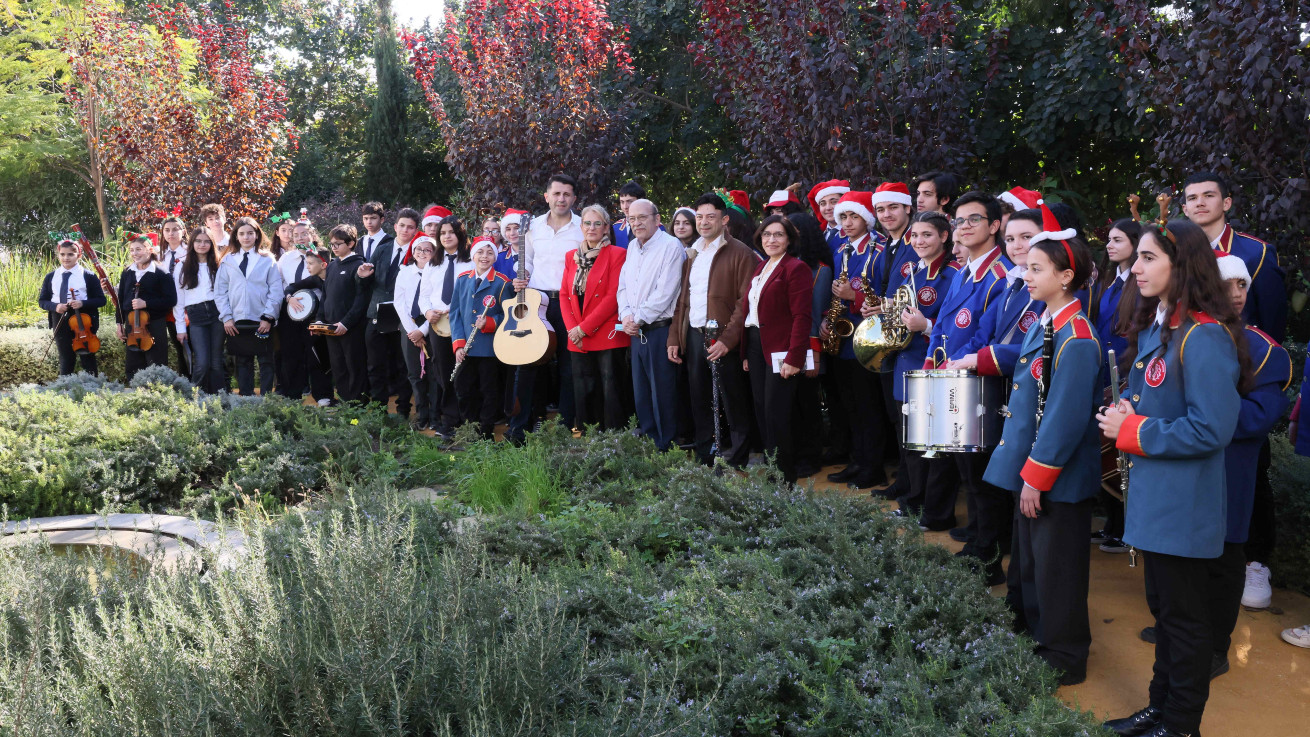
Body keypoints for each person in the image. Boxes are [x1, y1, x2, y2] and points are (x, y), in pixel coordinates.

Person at [1099, 219, 1249, 737]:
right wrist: (1130, 408)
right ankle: (1159, 709)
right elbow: (1164, 403)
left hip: (1183, 506)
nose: (1134, 267)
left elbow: (1212, 428)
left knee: (1185, 624)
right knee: (1165, 613)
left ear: (1180, 264)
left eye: (1147, 258)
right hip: (1156, 501)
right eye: (1136, 257)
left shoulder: (1203, 335)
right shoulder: (1166, 328)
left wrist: (1133, 428)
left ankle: (1182, 724)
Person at [983, 205, 1102, 687]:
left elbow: (1063, 420)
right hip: (1033, 469)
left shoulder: (1076, 338)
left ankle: (1065, 654)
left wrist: (1035, 477)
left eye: (1036, 268)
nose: (1024, 274)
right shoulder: (1047, 322)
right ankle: (1036, 634)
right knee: (1032, 563)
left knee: (1059, 572)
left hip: (1055, 477)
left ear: (1066, 275)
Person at [922, 192, 1012, 564]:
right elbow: (943, 323)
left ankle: (986, 548)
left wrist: (951, 364)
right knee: (965, 467)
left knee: (980, 470)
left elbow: (987, 336)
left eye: (974, 219)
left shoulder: (1001, 275)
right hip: (951, 379)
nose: (964, 227)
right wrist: (931, 363)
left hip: (978, 382)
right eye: (959, 221)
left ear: (994, 226)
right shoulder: (966, 272)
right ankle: (979, 535)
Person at [669, 192, 759, 468]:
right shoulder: (693, 253)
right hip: (694, 336)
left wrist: (727, 341)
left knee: (733, 399)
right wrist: (675, 336)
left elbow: (744, 303)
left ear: (724, 219)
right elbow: (683, 299)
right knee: (700, 397)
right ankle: (706, 453)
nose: (704, 222)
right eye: (700, 217)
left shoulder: (741, 253)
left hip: (724, 339)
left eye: (711, 217)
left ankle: (739, 457)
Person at [884, 212, 959, 529]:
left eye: (926, 235)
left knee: (936, 448)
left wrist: (924, 325)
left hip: (935, 368)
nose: (918, 241)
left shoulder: (953, 274)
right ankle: (913, 503)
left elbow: (957, 327)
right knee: (912, 446)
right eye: (914, 236)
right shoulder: (912, 271)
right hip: (906, 366)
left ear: (944, 237)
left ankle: (938, 513)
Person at [510, 174, 583, 442]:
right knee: (528, 364)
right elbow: (526, 259)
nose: (561, 199)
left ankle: (565, 429)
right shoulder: (534, 227)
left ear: (574, 199)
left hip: (570, 303)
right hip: (537, 301)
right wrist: (522, 274)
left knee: (568, 366)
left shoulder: (581, 227)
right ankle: (520, 427)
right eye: (556, 194)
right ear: (547, 197)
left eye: (567, 194)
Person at [740, 215, 812, 482]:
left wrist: (795, 357)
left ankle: (784, 478)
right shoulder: (761, 267)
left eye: (778, 235)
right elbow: (753, 313)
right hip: (757, 347)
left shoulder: (796, 268)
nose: (772, 239)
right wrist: (748, 353)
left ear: (789, 240)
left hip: (783, 349)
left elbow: (802, 317)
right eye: (767, 234)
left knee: (777, 413)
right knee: (762, 410)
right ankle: (772, 470)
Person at [824, 190, 887, 489]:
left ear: (867, 219)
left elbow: (886, 293)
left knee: (868, 407)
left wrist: (855, 295)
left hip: (870, 336)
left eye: (853, 216)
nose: (847, 222)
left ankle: (872, 466)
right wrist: (829, 316)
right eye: (843, 217)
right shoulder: (841, 249)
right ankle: (857, 461)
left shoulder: (879, 249)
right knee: (850, 405)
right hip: (845, 336)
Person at [1089, 217, 1143, 555]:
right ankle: (1112, 521)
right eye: (1109, 239)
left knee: (1122, 454)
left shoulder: (1138, 283)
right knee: (1105, 451)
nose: (1110, 246)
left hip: (1125, 374)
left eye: (1118, 240)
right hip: (1104, 373)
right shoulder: (1111, 281)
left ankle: (1126, 527)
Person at [1182, 170, 1286, 341]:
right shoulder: (1175, 252)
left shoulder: (1257, 252)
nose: (1200, 203)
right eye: (1192, 198)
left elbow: (1272, 322)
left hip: (1243, 356)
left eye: (1208, 195)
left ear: (1226, 203)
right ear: (1185, 209)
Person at [617, 199, 687, 450]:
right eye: (632, 219)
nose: (636, 223)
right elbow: (623, 286)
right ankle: (649, 443)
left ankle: (666, 447)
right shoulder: (633, 247)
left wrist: (637, 318)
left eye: (642, 218)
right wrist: (625, 316)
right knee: (642, 393)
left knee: (663, 393)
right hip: (636, 331)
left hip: (659, 330)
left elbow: (666, 292)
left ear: (657, 219)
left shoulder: (671, 246)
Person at [863, 182, 918, 497]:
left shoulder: (916, 241)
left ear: (907, 208)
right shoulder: (887, 244)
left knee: (906, 418)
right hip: (888, 340)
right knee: (894, 415)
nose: (886, 215)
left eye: (893, 208)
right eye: (881, 209)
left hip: (909, 341)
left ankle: (909, 483)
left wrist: (885, 304)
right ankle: (904, 478)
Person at [560, 204, 630, 431]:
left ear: (606, 228)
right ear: (581, 227)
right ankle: (586, 439)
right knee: (583, 388)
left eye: (597, 223)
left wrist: (584, 329)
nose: (592, 228)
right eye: (588, 223)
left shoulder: (618, 254)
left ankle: (613, 440)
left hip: (605, 332)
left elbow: (612, 297)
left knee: (611, 389)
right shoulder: (571, 256)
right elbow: (564, 294)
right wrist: (574, 329)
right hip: (577, 334)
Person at [450, 237, 513, 438]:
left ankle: (486, 433)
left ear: (495, 256)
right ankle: (470, 430)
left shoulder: (503, 283)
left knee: (489, 391)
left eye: (489, 252)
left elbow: (509, 315)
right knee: (464, 390)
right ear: (472, 255)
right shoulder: (462, 279)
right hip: (465, 348)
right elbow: (455, 314)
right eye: (480, 252)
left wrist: (490, 323)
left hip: (489, 348)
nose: (484, 257)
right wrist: (458, 345)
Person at [214, 217, 282, 396]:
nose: (246, 237)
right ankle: (246, 398)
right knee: (243, 361)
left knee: (266, 360)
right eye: (242, 233)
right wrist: (227, 317)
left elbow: (276, 291)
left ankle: (267, 398)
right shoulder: (228, 261)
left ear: (257, 235)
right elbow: (220, 292)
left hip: (261, 320)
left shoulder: (267, 260)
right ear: (236, 236)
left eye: (250, 233)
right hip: (237, 321)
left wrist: (268, 317)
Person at [421, 217, 475, 436]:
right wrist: (427, 312)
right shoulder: (433, 263)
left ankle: (469, 419)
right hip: (438, 326)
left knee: (464, 370)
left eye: (451, 232)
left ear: (460, 235)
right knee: (444, 370)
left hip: (463, 324)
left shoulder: (471, 261)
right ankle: (450, 420)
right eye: (442, 233)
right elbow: (423, 295)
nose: (446, 236)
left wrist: (452, 308)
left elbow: (472, 292)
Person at [360, 207, 416, 417]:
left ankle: (403, 410)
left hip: (404, 315)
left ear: (415, 230)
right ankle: (379, 410)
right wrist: (361, 276)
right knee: (375, 364)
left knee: (403, 365)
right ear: (394, 226)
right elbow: (368, 276)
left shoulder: (418, 251)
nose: (405, 230)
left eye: (410, 227)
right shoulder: (383, 248)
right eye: (401, 225)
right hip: (377, 312)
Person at [312, 225, 370, 403]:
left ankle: (357, 408)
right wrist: (320, 320)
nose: (334, 248)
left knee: (354, 367)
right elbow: (326, 297)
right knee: (338, 368)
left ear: (351, 243)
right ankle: (345, 405)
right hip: (330, 329)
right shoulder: (332, 266)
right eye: (332, 244)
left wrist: (345, 324)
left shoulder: (360, 266)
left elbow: (362, 300)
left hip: (351, 329)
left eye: (338, 244)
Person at [38, 238, 106, 376]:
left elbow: (101, 300)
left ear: (79, 255)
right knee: (65, 356)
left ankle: (93, 387)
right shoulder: (51, 277)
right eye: (62, 254)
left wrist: (83, 303)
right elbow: (42, 301)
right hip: (60, 318)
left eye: (70, 254)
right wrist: (55, 306)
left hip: (84, 319)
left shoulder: (89, 276)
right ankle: (64, 388)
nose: (66, 258)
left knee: (87, 355)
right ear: (58, 255)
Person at [116, 234, 177, 382]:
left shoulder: (161, 273)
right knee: (133, 362)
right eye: (132, 250)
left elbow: (171, 300)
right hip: (132, 324)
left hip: (154, 323)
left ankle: (157, 395)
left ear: (149, 250)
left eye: (139, 249)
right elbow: (121, 300)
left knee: (156, 361)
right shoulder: (127, 272)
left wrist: (146, 303)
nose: (134, 253)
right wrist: (119, 323)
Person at [394, 235, 439, 429]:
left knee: (433, 373)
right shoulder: (404, 273)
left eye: (427, 250)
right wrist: (413, 331)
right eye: (419, 250)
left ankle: (436, 416)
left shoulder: (438, 273)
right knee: (415, 373)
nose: (422, 253)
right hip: (409, 325)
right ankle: (422, 415)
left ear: (434, 253)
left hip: (432, 324)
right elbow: (400, 303)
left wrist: (423, 330)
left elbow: (438, 304)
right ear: (413, 253)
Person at [173, 228, 225, 393]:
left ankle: (219, 398)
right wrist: (180, 329)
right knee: (202, 362)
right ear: (192, 243)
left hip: (217, 314)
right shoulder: (181, 266)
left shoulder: (219, 264)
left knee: (216, 362)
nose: (202, 245)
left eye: (206, 241)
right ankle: (196, 397)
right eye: (198, 241)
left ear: (212, 244)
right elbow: (179, 302)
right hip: (196, 317)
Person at [282, 247, 335, 406]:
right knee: (317, 358)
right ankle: (321, 397)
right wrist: (290, 298)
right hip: (321, 324)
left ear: (324, 264)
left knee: (334, 362)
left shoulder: (336, 276)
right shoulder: (315, 279)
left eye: (311, 263)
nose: (307, 267)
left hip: (342, 324)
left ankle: (345, 398)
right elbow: (291, 287)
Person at [275, 219, 318, 398]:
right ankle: (292, 392)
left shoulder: (320, 256)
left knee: (313, 353)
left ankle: (317, 391)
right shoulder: (286, 258)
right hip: (290, 311)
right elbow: (279, 283)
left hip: (314, 312)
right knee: (290, 352)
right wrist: (288, 298)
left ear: (312, 235)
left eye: (304, 234)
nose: (300, 238)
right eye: (296, 235)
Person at [157, 215, 190, 376]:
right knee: (180, 349)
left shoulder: (191, 252)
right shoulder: (160, 255)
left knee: (193, 348)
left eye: (175, 229)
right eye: (167, 230)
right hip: (169, 310)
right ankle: (185, 382)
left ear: (183, 231)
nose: (171, 233)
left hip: (188, 309)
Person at [806, 179, 851, 259]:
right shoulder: (816, 234)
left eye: (833, 202)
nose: (828, 208)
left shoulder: (856, 233)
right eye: (823, 204)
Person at [611, 180, 646, 249]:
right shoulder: (616, 228)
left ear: (641, 200)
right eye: (622, 202)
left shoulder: (655, 227)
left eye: (629, 201)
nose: (625, 207)